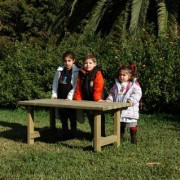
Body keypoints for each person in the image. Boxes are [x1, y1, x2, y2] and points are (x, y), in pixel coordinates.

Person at [105, 64, 142, 144]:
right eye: (120, 75)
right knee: (120, 124)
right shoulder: (116, 85)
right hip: (119, 109)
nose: (121, 77)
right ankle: (119, 138)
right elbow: (112, 93)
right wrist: (109, 99)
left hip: (130, 109)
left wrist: (131, 100)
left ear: (129, 76)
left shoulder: (134, 85)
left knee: (132, 124)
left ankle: (133, 138)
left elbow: (137, 94)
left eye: (124, 75)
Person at [73, 53, 106, 138]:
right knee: (90, 118)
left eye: (90, 63)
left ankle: (101, 135)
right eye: (85, 63)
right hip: (87, 100)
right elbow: (78, 87)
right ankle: (93, 135)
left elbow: (99, 86)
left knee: (99, 118)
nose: (88, 65)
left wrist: (97, 98)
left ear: (95, 63)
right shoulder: (82, 73)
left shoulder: (97, 73)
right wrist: (78, 99)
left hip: (97, 100)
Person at [51, 51, 80, 137]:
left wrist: (70, 97)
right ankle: (64, 130)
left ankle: (73, 131)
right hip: (60, 96)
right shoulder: (59, 70)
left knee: (72, 116)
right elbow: (55, 83)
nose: (67, 63)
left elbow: (75, 86)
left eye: (69, 60)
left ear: (73, 60)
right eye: (65, 61)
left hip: (71, 98)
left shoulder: (76, 71)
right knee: (63, 115)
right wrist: (54, 94)